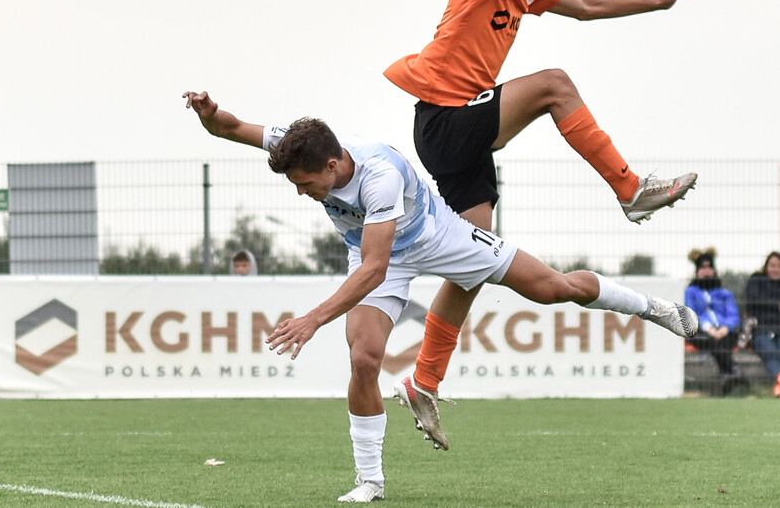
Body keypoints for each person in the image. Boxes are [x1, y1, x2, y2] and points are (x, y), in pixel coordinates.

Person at [182, 90, 699, 503]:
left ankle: (655, 309)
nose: (302, 192)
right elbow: (231, 127)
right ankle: (370, 482)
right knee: (363, 358)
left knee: (553, 288)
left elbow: (375, 268)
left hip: (436, 238)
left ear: (336, 164)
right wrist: (209, 113)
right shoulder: (301, 144)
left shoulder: (378, 179)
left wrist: (312, 319)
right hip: (374, 254)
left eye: (307, 183)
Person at [383, 0, 703, 441]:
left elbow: (585, 7)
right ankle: (629, 189)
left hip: (463, 132)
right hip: (446, 118)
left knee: (470, 267)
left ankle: (423, 380)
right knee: (555, 83)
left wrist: (655, 3)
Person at [683, 248, 745, 395]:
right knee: (712, 341)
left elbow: (733, 315)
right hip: (700, 332)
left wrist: (725, 328)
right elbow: (690, 313)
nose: (706, 271)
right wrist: (708, 328)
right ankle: (735, 371)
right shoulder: (690, 292)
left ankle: (727, 376)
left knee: (721, 341)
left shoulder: (725, 293)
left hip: (725, 333)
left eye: (709, 267)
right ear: (697, 271)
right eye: (702, 267)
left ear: (714, 270)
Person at [744, 251, 780, 397]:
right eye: (772, 266)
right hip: (760, 328)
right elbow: (754, 300)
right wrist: (778, 306)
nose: (776, 269)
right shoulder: (756, 280)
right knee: (771, 353)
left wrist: (768, 305)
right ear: (766, 267)